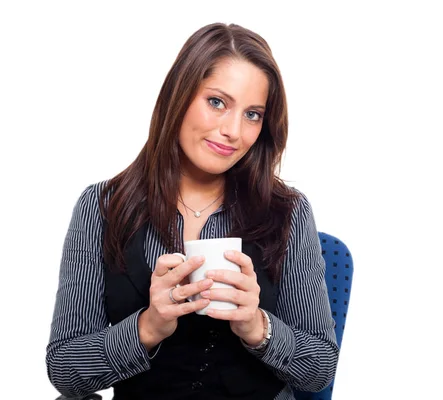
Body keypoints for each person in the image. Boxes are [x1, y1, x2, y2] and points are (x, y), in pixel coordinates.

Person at [46, 22, 338, 400]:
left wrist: (257, 325)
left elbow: (319, 369)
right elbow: (66, 370)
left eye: (252, 114)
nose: (233, 131)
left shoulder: (289, 212)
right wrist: (148, 327)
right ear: (179, 97)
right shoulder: (102, 208)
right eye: (217, 102)